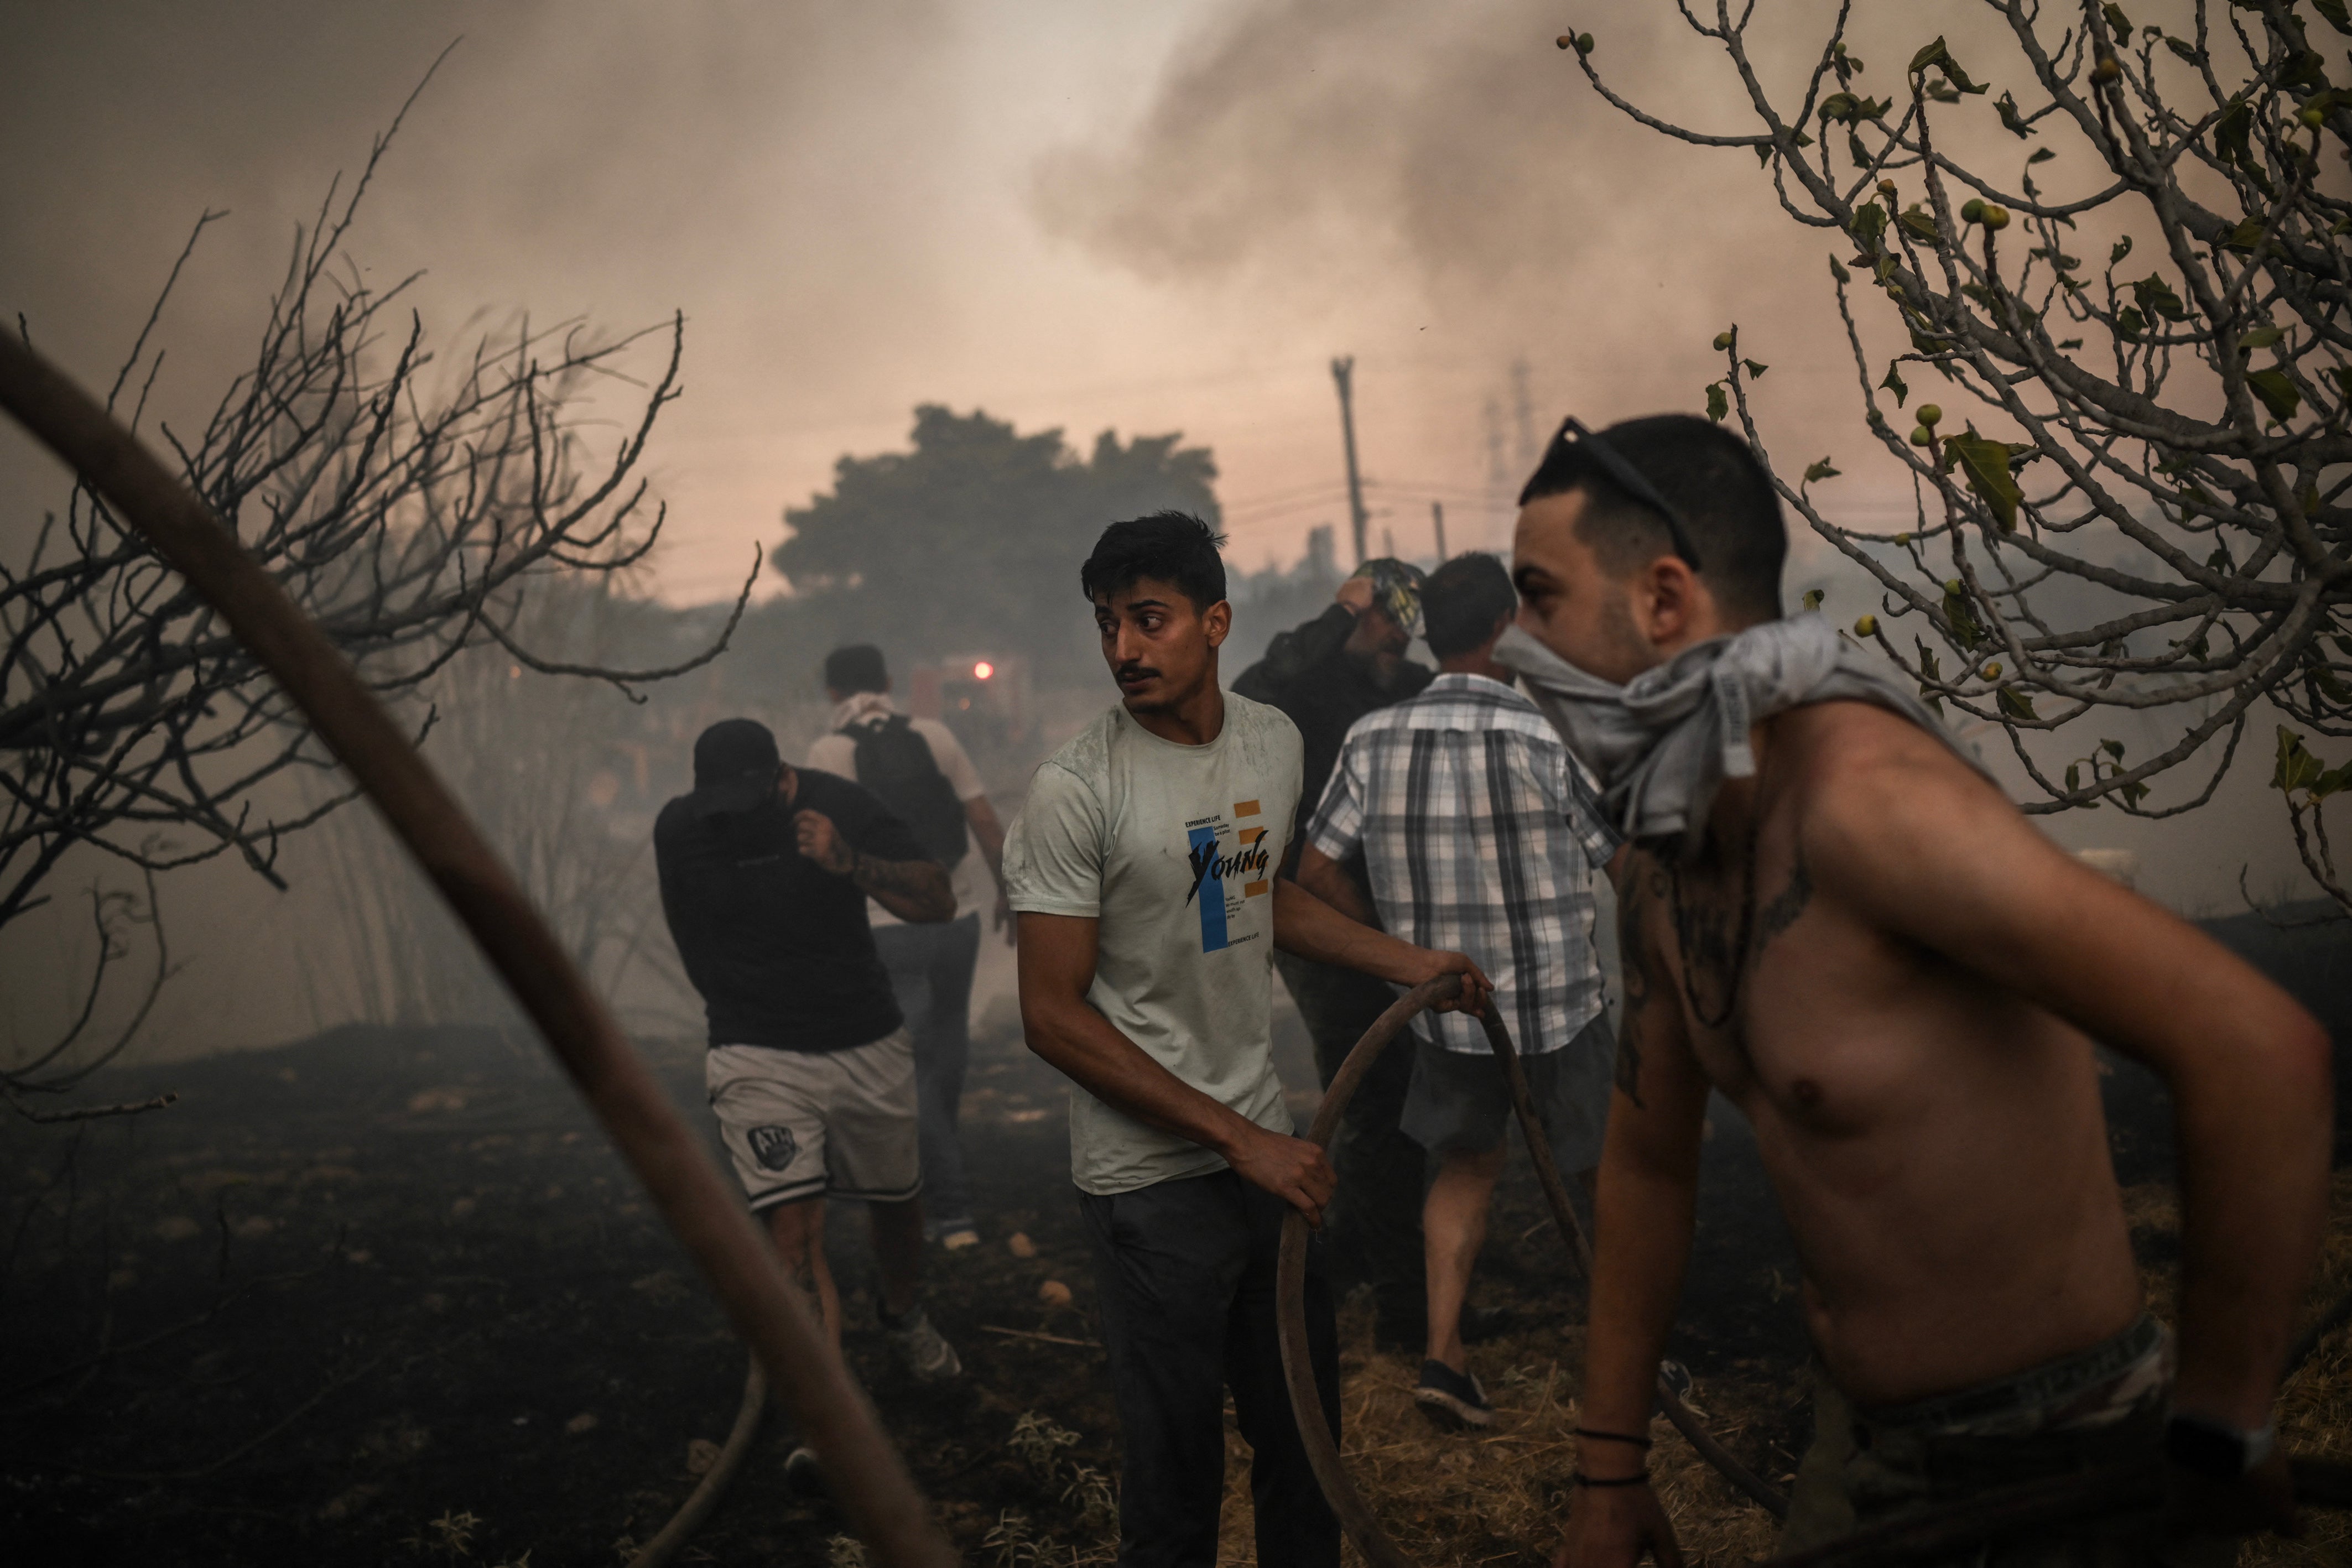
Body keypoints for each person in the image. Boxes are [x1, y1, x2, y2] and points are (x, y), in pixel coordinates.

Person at [1498, 416, 2332, 1566]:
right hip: (1863, 1444)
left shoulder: (1871, 806)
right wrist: (1607, 1462)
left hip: (2067, 1466)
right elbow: (1647, 1163)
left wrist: (2220, 1422)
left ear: (1663, 600)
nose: (1512, 644)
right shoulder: (1659, 861)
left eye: (1538, 597)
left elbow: (2256, 1050)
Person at [1005, 512, 1493, 1568]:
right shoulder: (1076, 789)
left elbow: (1254, 897)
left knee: (1302, 1454)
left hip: (1266, 1165)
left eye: (1149, 619)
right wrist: (1241, 1140)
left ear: (1215, 621)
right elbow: (1050, 1014)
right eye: (1107, 625)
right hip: (1149, 1185)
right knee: (1177, 1486)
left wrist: (1409, 962)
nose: (1124, 649)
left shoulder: (1268, 743)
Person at [1294, 551, 1620, 1431]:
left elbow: (1314, 866)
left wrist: (1398, 952)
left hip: (1448, 1009)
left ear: (1432, 634)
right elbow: (1623, 858)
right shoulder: (1544, 734)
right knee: (1601, 1175)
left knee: (1465, 1167)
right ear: (1506, 629)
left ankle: (1444, 1356)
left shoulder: (1372, 739)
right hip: (1561, 1002)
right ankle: (1637, 1362)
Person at [653, 720, 967, 1480]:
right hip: (754, 1047)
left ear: (782, 777)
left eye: (746, 798)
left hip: (863, 1035)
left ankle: (900, 1314)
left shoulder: (838, 803)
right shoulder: (683, 826)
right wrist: (740, 1010)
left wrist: (846, 860)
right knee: (792, 1233)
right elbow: (687, 928)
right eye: (716, 800)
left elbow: (937, 899)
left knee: (898, 1204)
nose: (730, 813)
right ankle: (833, 1422)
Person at [1232, 556, 1437, 1347]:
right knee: (1373, 1097)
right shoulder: (1305, 679)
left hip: (1397, 913)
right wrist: (1335, 615)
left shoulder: (1405, 686)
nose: (1393, 630)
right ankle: (1402, 1313)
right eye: (1379, 615)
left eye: (1403, 617)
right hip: (1313, 913)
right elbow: (1252, 687)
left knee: (1395, 1098)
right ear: (1354, 613)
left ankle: (1351, 1259)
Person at [808, 643, 1013, 1252]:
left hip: (886, 928)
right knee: (946, 1050)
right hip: (959, 920)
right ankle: (937, 1173)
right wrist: (1008, 894)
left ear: (831, 693)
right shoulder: (936, 735)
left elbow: (822, 851)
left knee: (910, 1070)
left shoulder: (829, 752)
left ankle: (951, 1214)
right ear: (889, 682)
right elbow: (984, 822)